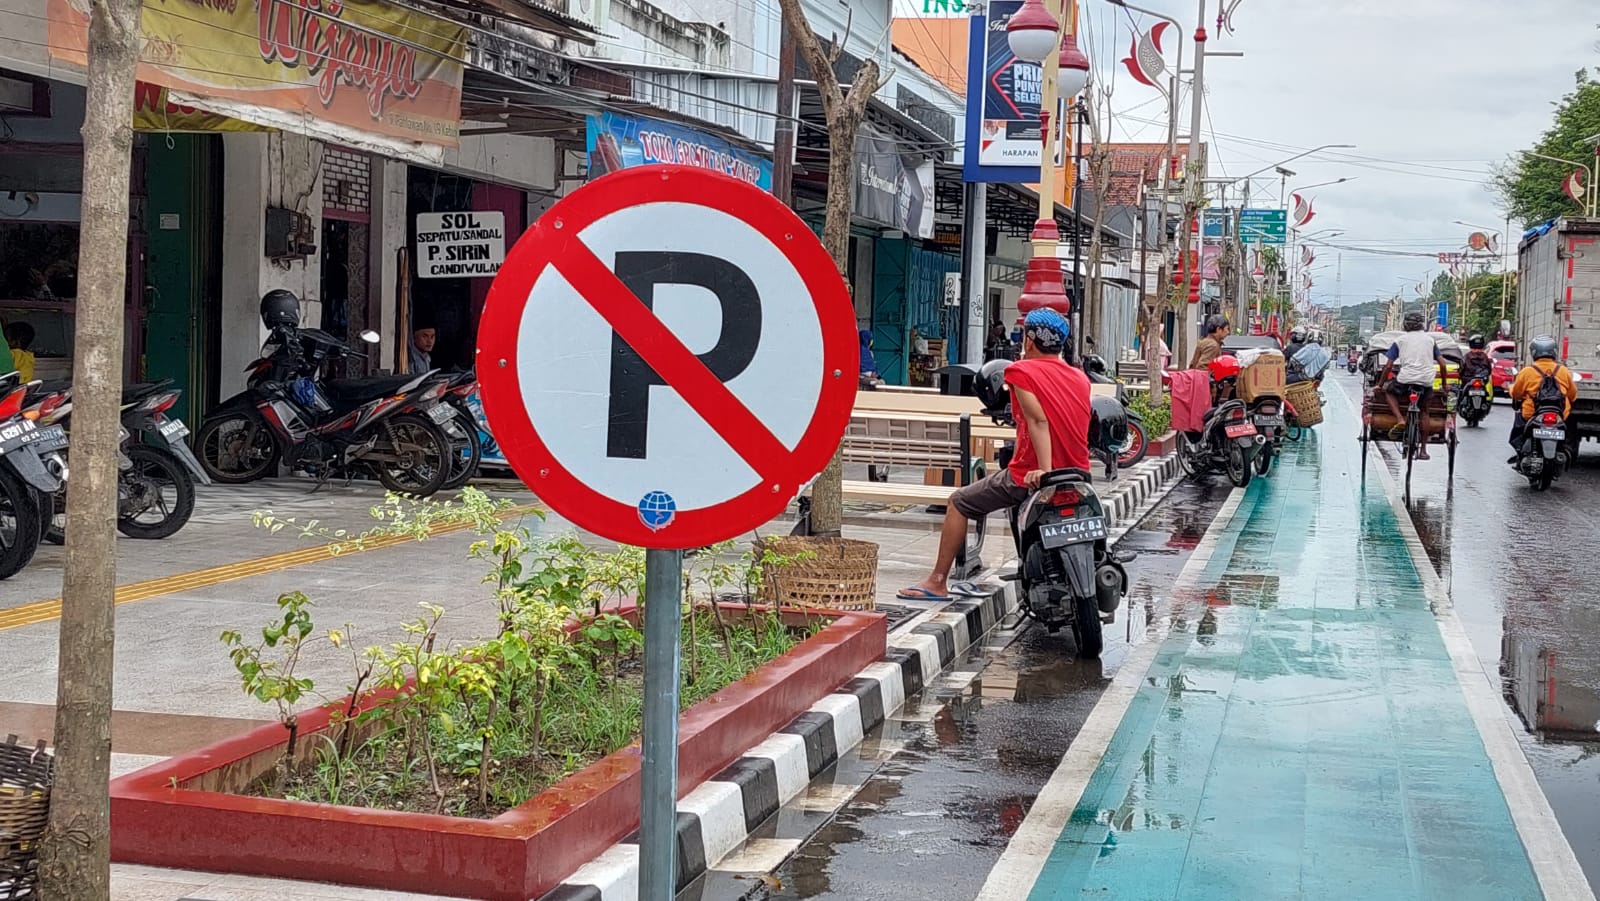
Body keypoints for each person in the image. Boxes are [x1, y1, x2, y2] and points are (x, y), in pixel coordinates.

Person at [900, 309, 1090, 601]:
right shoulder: (1080, 378)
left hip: (1030, 474)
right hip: (1079, 474)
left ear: (1029, 340)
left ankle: (937, 581)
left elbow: (1039, 421)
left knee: (959, 501)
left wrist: (1045, 471)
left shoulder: (1020, 372)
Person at [1380, 310, 1442, 459]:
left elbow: (1388, 366)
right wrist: (1445, 385)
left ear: (1405, 325)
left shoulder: (1400, 340)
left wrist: (1380, 384)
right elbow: (1443, 364)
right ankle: (1423, 450)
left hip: (1405, 380)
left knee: (1388, 391)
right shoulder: (1430, 341)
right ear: (1421, 325)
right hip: (1426, 381)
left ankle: (1400, 419)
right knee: (1425, 412)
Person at [1508, 335, 1578, 459]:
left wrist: (1511, 389)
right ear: (1554, 352)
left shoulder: (1527, 371)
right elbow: (1572, 395)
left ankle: (1520, 451)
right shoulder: (1563, 371)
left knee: (1519, 423)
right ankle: (1565, 449)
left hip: (1532, 413)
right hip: (1560, 414)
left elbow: (1516, 394)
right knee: (1570, 426)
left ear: (1534, 352)